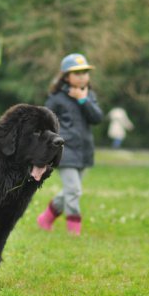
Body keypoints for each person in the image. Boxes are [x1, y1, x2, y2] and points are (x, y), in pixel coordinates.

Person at [36, 53, 103, 236]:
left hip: (84, 152)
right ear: (66, 76)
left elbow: (97, 118)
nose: (82, 76)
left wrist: (83, 100)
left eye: (85, 73)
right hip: (64, 150)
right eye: (77, 73)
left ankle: (46, 218)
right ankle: (74, 230)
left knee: (70, 191)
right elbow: (46, 121)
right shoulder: (56, 98)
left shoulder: (90, 96)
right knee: (74, 190)